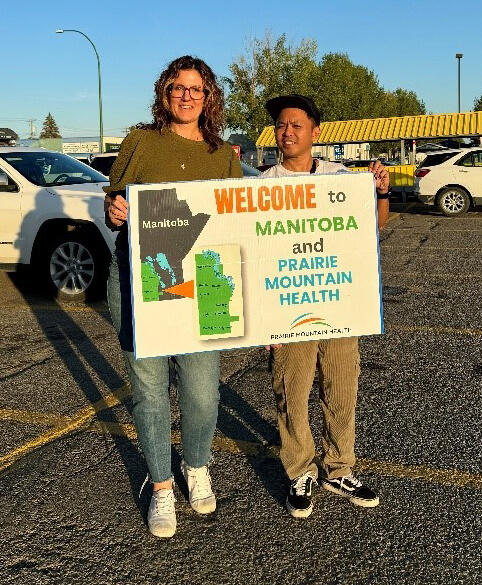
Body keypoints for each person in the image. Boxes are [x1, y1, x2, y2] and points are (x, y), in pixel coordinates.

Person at [104, 56, 243, 538]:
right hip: (141, 280)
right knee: (148, 391)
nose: (187, 96)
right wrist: (116, 211)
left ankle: (196, 466)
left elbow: (236, 225)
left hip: (201, 282)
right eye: (178, 88)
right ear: (164, 93)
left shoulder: (224, 156)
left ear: (210, 98)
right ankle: (162, 485)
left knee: (203, 393)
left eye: (197, 89)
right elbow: (114, 201)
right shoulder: (139, 141)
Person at [262, 94, 389, 518]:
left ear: (315, 133)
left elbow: (373, 226)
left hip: (338, 304)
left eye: (297, 125)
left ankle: (339, 468)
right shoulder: (263, 184)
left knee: (341, 387)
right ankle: (300, 469)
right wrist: (263, 323)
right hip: (288, 308)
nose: (288, 132)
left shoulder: (342, 177)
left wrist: (381, 192)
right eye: (282, 125)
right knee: (291, 392)